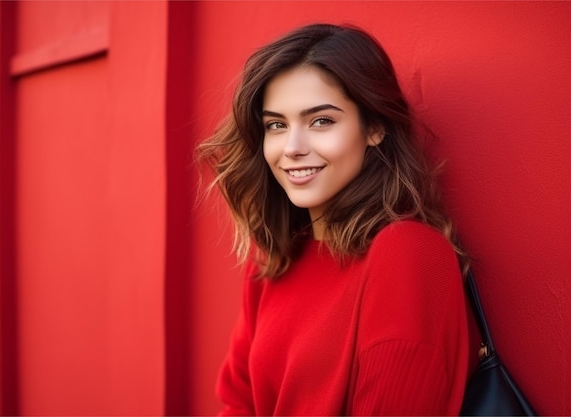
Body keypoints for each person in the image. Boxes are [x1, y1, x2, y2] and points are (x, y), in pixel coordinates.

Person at [195, 23, 470, 416]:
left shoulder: (407, 253)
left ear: (374, 127)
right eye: (276, 125)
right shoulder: (273, 257)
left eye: (321, 121)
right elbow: (238, 404)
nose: (292, 148)